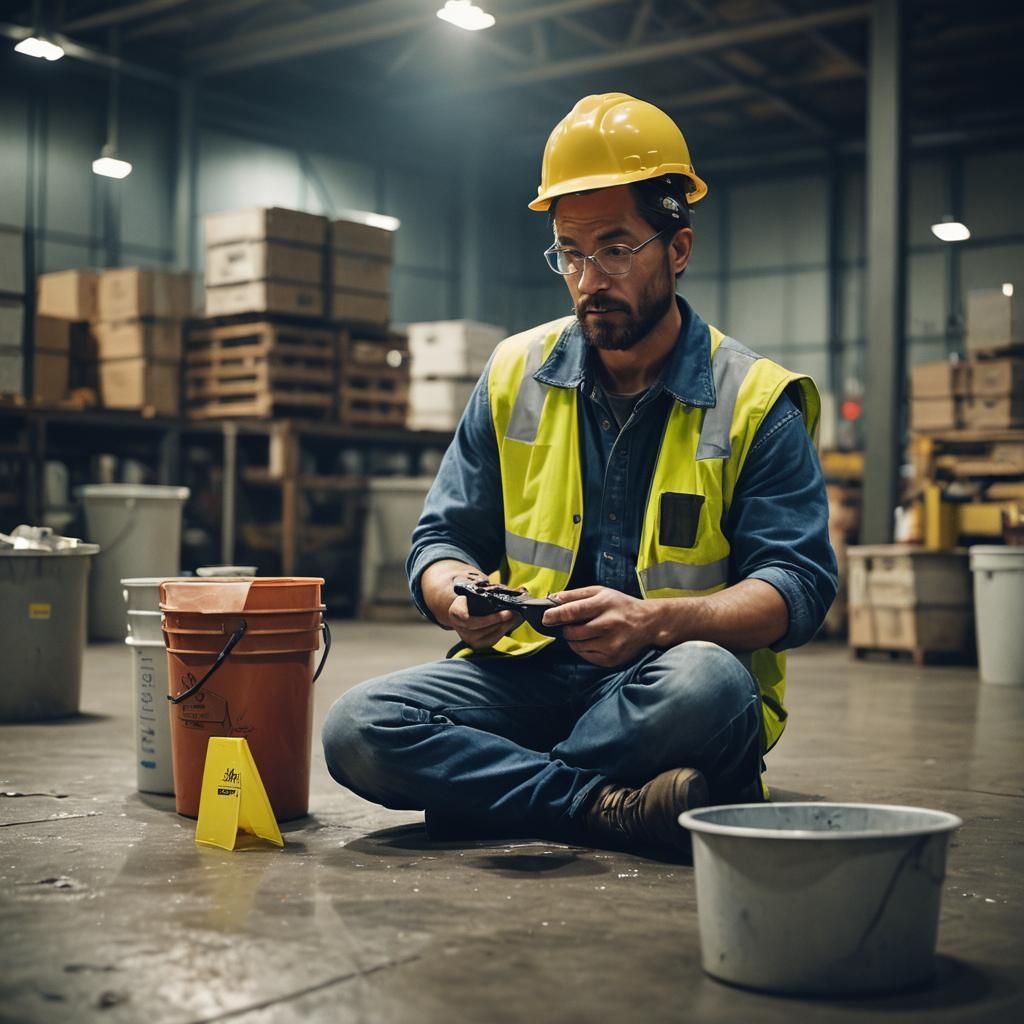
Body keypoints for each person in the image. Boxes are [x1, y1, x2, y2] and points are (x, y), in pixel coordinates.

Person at [323, 93, 837, 857]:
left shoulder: (756, 400)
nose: (590, 278)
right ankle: (599, 804)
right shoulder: (513, 372)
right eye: (570, 252)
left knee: (712, 686)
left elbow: (797, 587)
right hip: (524, 678)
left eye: (616, 248)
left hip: (659, 683)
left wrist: (656, 622)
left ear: (678, 248)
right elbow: (440, 540)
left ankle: (492, 795)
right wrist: (455, 596)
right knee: (358, 727)